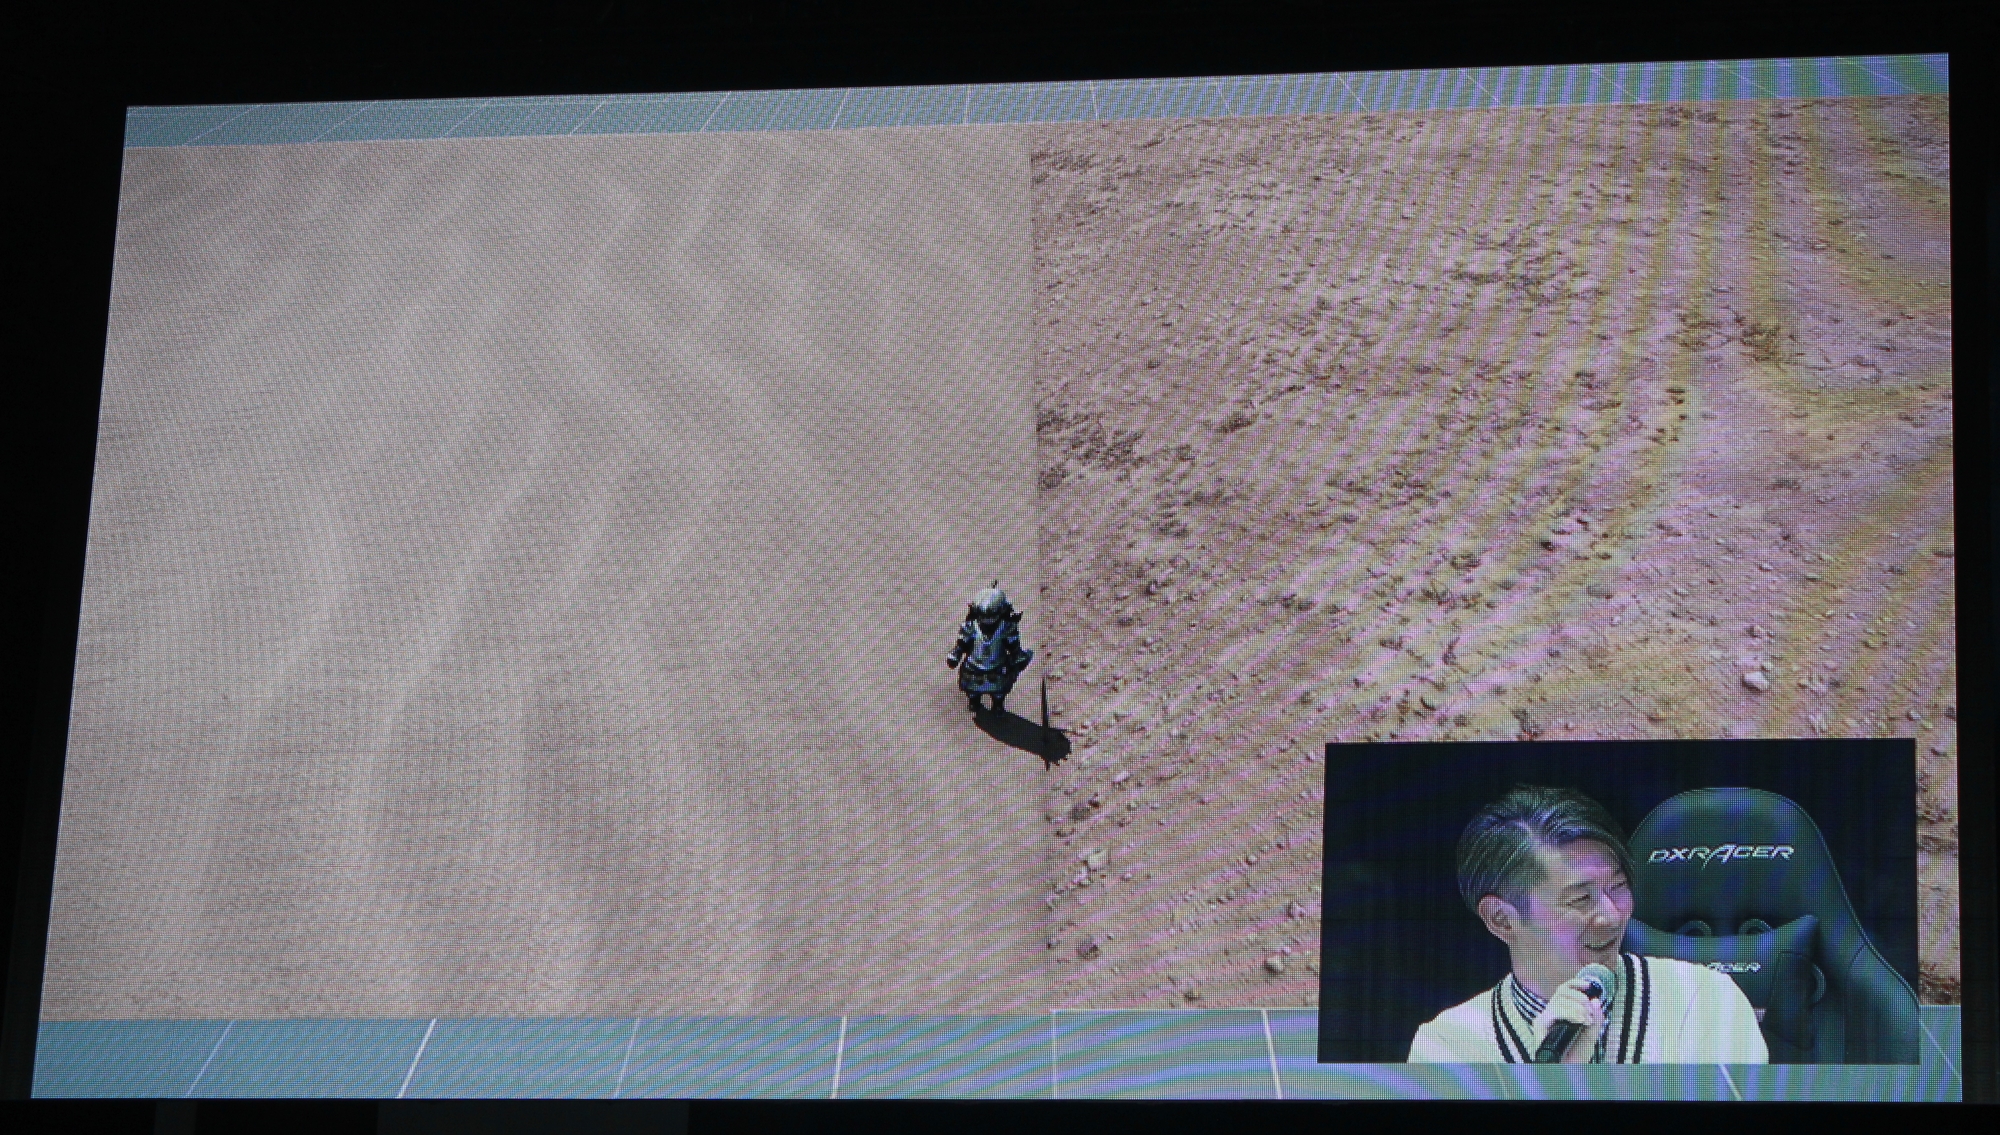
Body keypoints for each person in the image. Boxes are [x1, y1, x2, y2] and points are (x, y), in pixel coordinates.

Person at [1408, 784, 1767, 1064]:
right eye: (1580, 899)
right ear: (1501, 919)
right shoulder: (1450, 1045)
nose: (1612, 915)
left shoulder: (1704, 1000)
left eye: (1618, 887)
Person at [946, 583, 1033, 715]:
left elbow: (1013, 645)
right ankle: (974, 702)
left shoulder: (1006, 627)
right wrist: (956, 654)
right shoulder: (971, 626)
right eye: (984, 616)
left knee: (999, 692)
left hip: (997, 667)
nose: (988, 620)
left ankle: (997, 705)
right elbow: (962, 643)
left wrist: (1017, 656)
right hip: (973, 667)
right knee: (973, 691)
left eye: (991, 616)